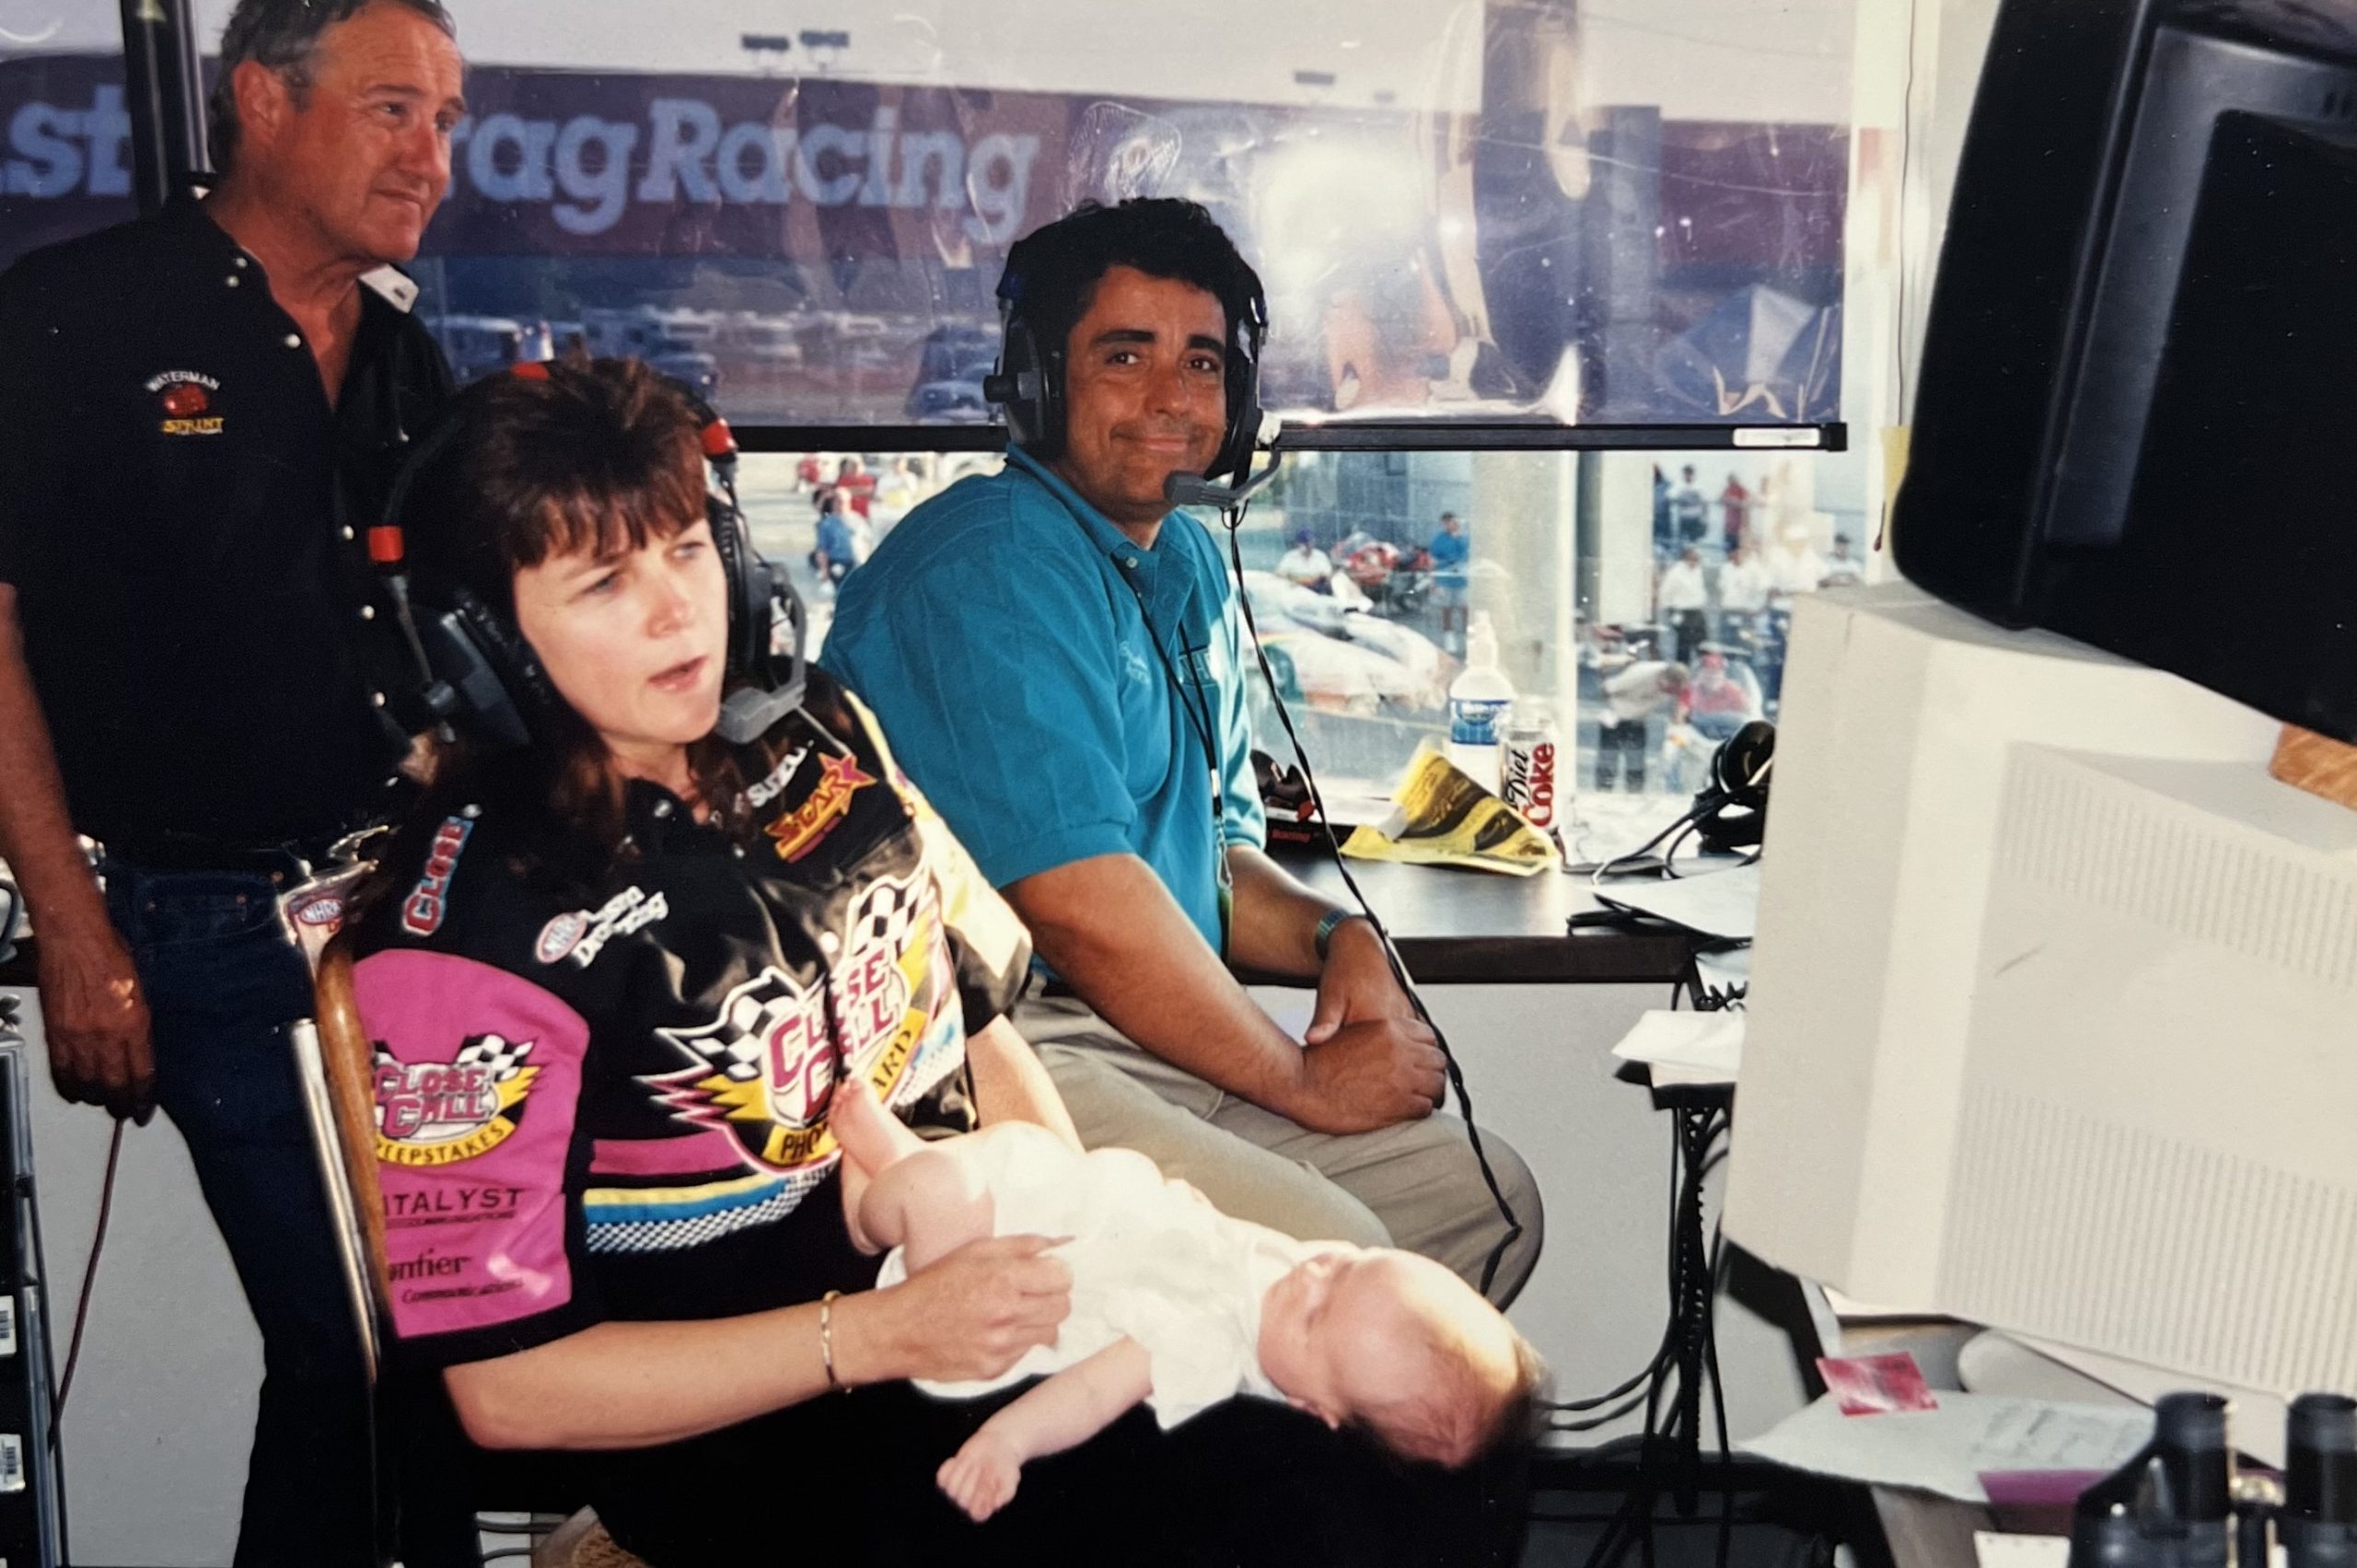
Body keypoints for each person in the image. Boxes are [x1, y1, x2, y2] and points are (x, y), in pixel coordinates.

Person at [348, 357, 1513, 1567]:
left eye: (687, 551)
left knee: (1386, 1446)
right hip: (752, 1434)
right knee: (1302, 1515)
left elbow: (978, 1023)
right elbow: (503, 1388)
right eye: (604, 580)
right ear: (482, 641)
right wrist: (883, 1332)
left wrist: (1074, 1248)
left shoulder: (821, 740)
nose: (675, 612)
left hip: (953, 1316)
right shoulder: (465, 940)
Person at [822, 199, 1542, 1307]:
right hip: (1010, 1042)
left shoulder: (1188, 564)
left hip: (1150, 1022)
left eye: (1201, 363)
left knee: (1481, 1195)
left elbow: (1205, 862)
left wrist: (1337, 934)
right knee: (1337, 1263)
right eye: (1124, 356)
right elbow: (1078, 904)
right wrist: (1300, 1078)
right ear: (1039, 383)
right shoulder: (991, 568)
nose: (1171, 399)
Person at [0, 1, 462, 1560]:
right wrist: (72, 927)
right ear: (263, 100)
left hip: (404, 914)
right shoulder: (79, 314)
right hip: (198, 919)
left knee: (427, 1341)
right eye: (398, 110)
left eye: (448, 122)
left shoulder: (408, 354)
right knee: (362, 1339)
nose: (434, 158)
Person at [826, 1074, 1544, 1523]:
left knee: (936, 1194)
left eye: (1318, 1310)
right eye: (1350, 1264)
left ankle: (875, 1183)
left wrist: (1005, 1443)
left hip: (983, 1278)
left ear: (1313, 1411)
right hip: (1059, 1202)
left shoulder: (1212, 1341)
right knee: (999, 1157)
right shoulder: (1296, 1298)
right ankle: (892, 1169)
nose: (1311, 1271)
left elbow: (1094, 1391)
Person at [1593, 661, 1689, 793]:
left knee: (1636, 758)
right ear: (1663, 677)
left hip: (1638, 718)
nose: (1670, 692)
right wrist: (1616, 711)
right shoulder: (1641, 673)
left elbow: (1678, 707)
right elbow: (1607, 689)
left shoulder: (1675, 688)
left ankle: (1635, 791)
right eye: (1670, 687)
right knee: (1608, 755)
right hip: (1614, 714)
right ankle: (1603, 789)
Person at [1685, 645, 1763, 743]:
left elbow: (1749, 713)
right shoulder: (1692, 690)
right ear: (1701, 674)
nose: (1712, 677)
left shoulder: (1734, 691)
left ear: (1723, 675)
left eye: (1716, 673)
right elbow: (1683, 716)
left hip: (1731, 737)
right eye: (1708, 673)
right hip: (1699, 738)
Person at [1656, 544, 1712, 664]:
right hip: (1681, 613)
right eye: (1692, 558)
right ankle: (1682, 672)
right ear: (1685, 558)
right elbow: (1665, 593)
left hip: (1697, 611)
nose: (1695, 562)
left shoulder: (1698, 571)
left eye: (1697, 559)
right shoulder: (1675, 572)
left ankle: (1704, 669)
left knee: (1703, 644)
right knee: (1684, 646)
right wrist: (1671, 612)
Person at [1428, 511, 1470, 653]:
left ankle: (1469, 640)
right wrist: (1433, 582)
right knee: (1447, 610)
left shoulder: (1465, 539)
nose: (1450, 525)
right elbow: (1432, 561)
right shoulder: (1439, 540)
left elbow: (1469, 556)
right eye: (1446, 523)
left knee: (1465, 609)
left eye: (1452, 522)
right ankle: (1449, 640)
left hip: (1462, 580)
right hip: (1444, 580)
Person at [1716, 540, 1771, 644]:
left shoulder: (1753, 568)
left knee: (1745, 644)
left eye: (1739, 552)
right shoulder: (1725, 568)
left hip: (1745, 613)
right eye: (1732, 552)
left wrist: (1758, 608)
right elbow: (1722, 590)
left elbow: (1765, 587)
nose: (1735, 555)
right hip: (1727, 611)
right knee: (1726, 643)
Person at [814, 486, 861, 586]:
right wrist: (824, 571)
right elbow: (822, 550)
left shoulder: (858, 520)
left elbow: (868, 542)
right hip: (837, 564)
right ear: (833, 503)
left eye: (845, 502)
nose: (842, 505)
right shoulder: (827, 524)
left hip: (856, 564)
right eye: (838, 501)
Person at [1275, 528, 1335, 592]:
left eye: (1310, 542)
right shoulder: (1290, 556)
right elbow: (1280, 575)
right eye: (1305, 543)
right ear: (1298, 544)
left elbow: (1328, 575)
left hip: (1316, 590)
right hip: (1294, 590)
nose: (1308, 546)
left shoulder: (1320, 556)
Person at [1671, 464, 1709, 547]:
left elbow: (1705, 504)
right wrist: (1681, 499)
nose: (1687, 476)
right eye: (1685, 473)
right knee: (1681, 544)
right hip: (1683, 519)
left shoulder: (1699, 487)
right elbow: (1671, 498)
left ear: (1693, 474)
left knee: (1694, 544)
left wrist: (1705, 521)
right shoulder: (1678, 486)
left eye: (1689, 473)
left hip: (1695, 519)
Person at [1719, 473, 1751, 554]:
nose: (1731, 482)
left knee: (1737, 549)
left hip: (1739, 527)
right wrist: (1727, 500)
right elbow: (1721, 499)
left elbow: (1747, 502)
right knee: (1727, 549)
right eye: (1729, 481)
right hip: (1729, 526)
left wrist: (1736, 502)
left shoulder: (1741, 490)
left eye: (1732, 480)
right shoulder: (1727, 490)